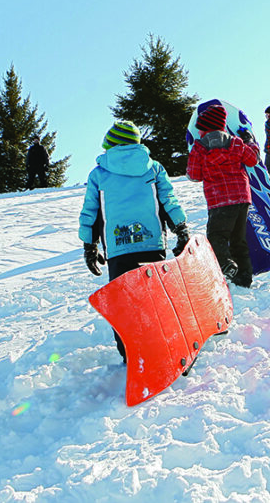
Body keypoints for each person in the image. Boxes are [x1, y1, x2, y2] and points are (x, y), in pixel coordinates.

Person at [78, 120, 190, 363]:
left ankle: (131, 355)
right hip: (151, 244)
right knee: (155, 298)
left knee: (124, 305)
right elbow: (168, 200)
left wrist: (90, 244)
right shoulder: (154, 168)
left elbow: (91, 211)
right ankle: (163, 347)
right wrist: (181, 228)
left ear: (111, 144)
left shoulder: (99, 174)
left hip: (118, 248)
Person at [186, 104, 260, 288]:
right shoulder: (236, 143)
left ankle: (227, 265)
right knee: (238, 240)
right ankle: (244, 279)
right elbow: (253, 160)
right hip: (242, 199)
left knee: (215, 239)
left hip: (219, 201)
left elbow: (194, 175)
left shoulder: (200, 148)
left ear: (204, 129)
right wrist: (249, 140)